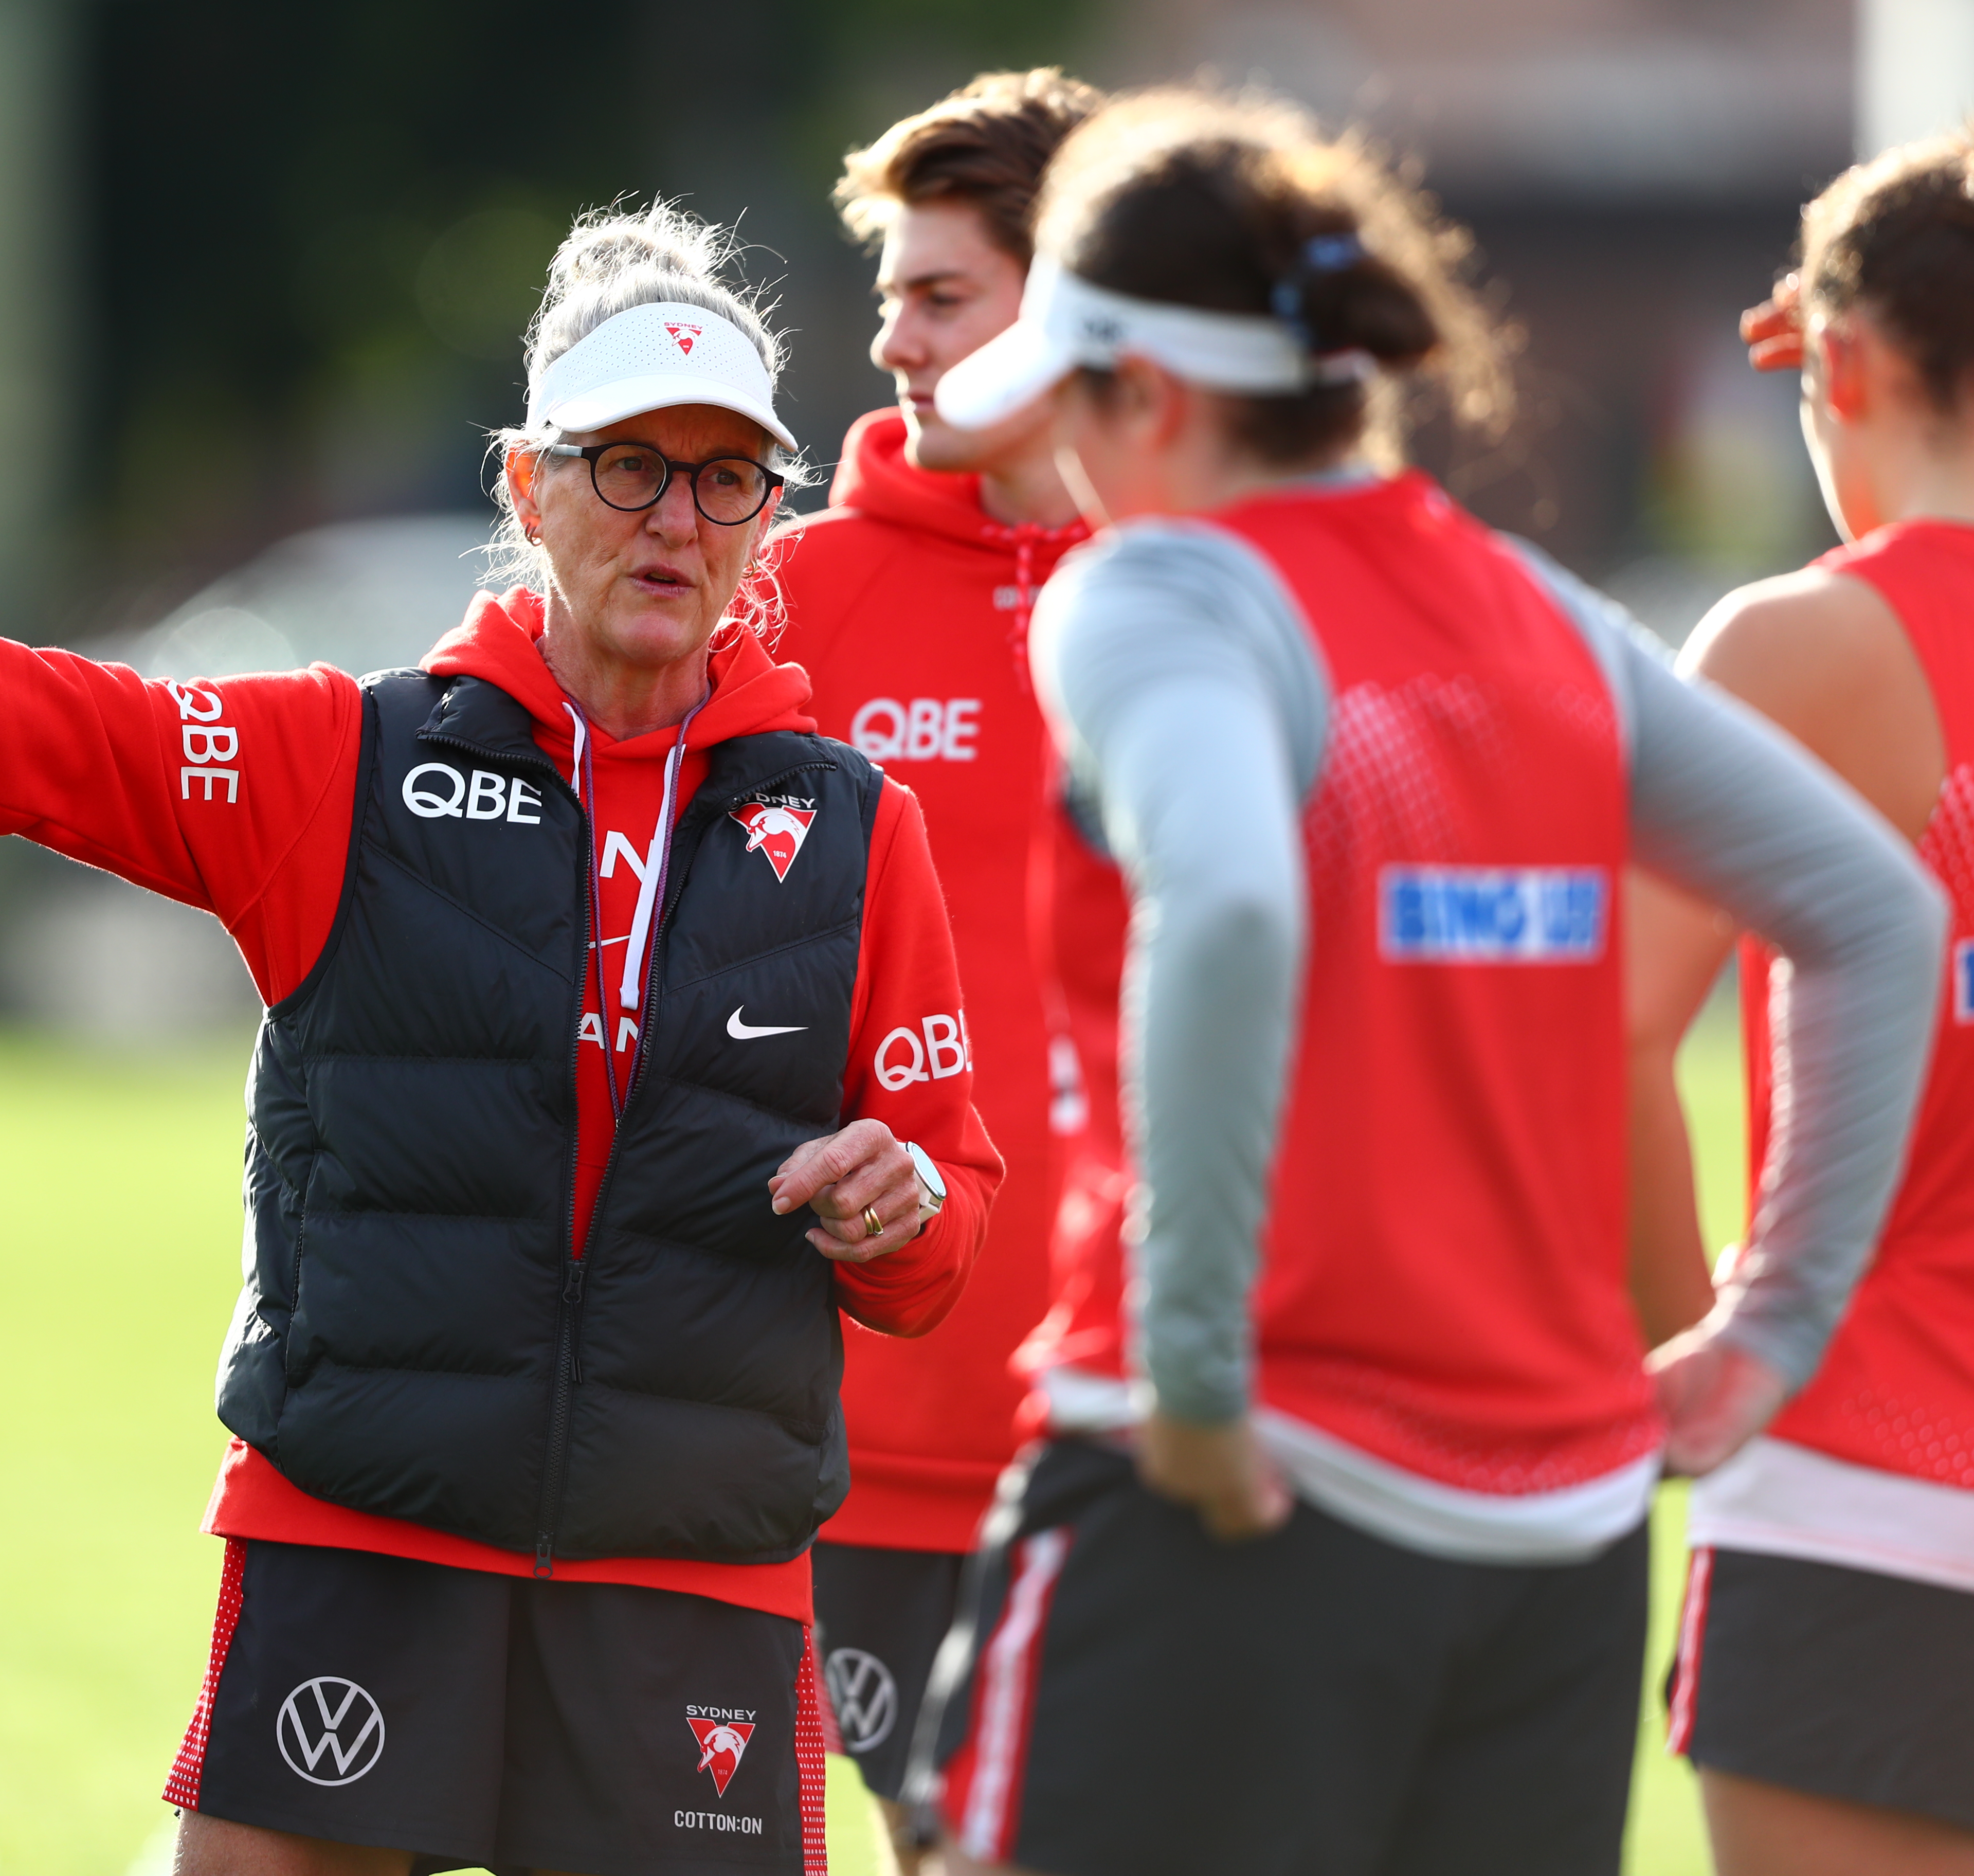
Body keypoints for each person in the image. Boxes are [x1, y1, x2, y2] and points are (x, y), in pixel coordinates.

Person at [0, 204, 1003, 1876]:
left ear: (768, 515)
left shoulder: (856, 829)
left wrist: (900, 1210)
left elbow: (943, 1224)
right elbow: (22, 720)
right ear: (529, 488)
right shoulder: (342, 767)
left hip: (689, 1575)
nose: (675, 517)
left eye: (724, 477)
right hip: (370, 1536)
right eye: (628, 466)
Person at [900, 86, 1945, 1876]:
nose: (1059, 451)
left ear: (1154, 396)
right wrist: (1774, 1325)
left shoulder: (1159, 590)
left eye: (1074, 398)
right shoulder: (1543, 615)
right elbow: (1878, 916)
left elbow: (1229, 901)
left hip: (1246, 1492)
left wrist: (1196, 1375)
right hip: (1560, 1543)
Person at [1629, 127, 1974, 1876]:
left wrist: (1702, 1363)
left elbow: (1611, 1028)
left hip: (1878, 1493)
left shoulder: (1810, 644)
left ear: (1838, 365)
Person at [769, 70, 1116, 1869]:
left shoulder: (1219, 591)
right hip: (887, 1430)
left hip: (1167, 1429)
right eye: (890, 291)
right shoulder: (792, 596)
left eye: (941, 294)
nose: (891, 340)